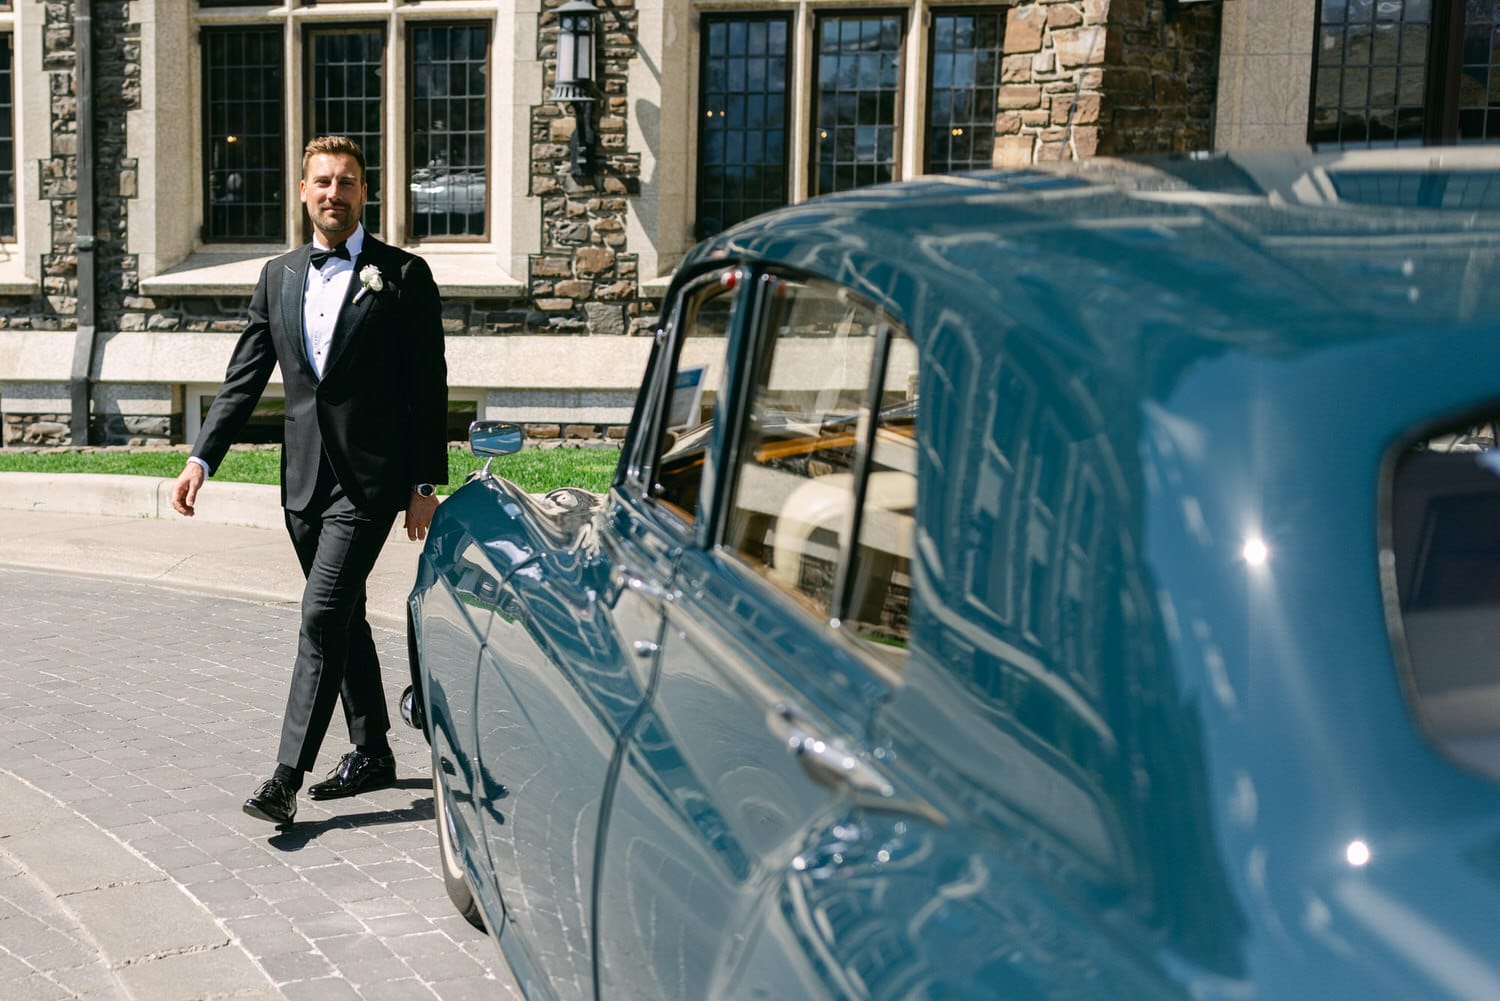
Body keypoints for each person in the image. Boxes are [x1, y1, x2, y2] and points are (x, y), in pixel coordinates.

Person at [172, 136, 448, 826]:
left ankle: (284, 777)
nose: (335, 192)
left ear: (364, 192)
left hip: (370, 482)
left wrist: (424, 481)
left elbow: (428, 385)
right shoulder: (278, 275)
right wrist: (202, 457)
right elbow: (244, 378)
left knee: (321, 613)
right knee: (343, 616)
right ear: (303, 191)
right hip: (301, 481)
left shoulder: (405, 275)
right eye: (322, 181)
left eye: (348, 182)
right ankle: (373, 750)